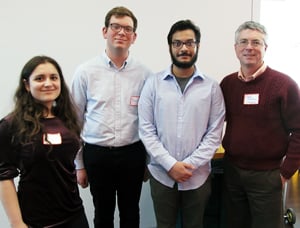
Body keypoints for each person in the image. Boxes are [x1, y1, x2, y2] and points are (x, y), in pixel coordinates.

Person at [138, 19, 225, 228]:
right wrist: (171, 165)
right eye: (177, 43)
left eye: (189, 43)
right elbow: (146, 129)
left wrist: (189, 166)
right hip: (161, 174)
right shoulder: (153, 84)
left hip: (198, 177)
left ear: (197, 46)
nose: (183, 48)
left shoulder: (212, 88)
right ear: (170, 47)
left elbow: (214, 133)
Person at [71, 6, 152, 228]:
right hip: (97, 155)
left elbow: (149, 122)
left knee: (130, 214)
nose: (121, 32)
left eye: (127, 28)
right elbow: (74, 121)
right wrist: (79, 165)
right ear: (104, 31)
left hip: (132, 154)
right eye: (115, 26)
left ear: (134, 37)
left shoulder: (145, 74)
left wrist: (148, 161)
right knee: (103, 214)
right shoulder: (85, 72)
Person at [220, 21, 300, 228]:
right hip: (232, 172)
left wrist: (285, 172)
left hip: (268, 176)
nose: (249, 47)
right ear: (235, 48)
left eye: (256, 42)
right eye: (243, 41)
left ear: (266, 48)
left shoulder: (284, 85)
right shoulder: (227, 84)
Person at [0, 55, 89, 228]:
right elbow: (4, 176)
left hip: (74, 215)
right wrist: (17, 222)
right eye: (40, 78)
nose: (48, 83)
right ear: (27, 85)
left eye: (53, 78)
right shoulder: (10, 125)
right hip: (35, 220)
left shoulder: (68, 119)